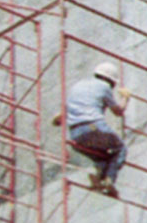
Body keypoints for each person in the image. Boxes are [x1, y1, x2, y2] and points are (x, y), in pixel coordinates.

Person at [53, 61, 131, 198]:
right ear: (110, 81)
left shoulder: (77, 86)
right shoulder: (104, 87)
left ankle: (99, 178)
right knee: (120, 149)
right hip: (94, 128)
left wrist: (58, 119)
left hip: (76, 136)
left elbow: (61, 116)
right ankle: (109, 180)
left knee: (102, 157)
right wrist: (125, 98)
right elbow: (118, 111)